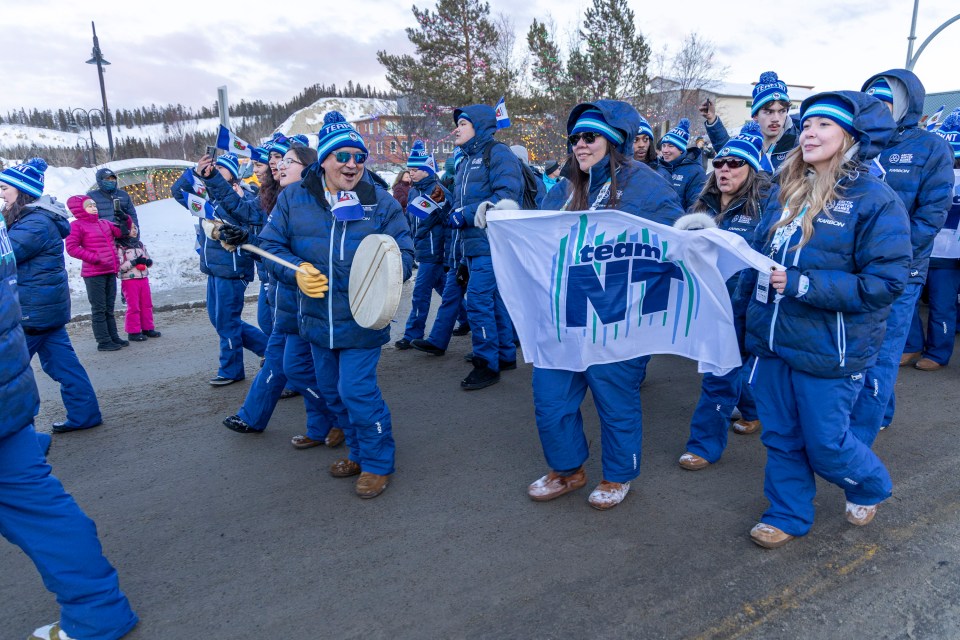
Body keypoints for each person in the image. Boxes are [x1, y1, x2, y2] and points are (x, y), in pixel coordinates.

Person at [733, 91, 911, 548]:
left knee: (827, 445)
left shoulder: (876, 200)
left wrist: (803, 284)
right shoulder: (783, 189)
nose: (809, 131)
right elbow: (757, 260)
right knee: (780, 438)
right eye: (807, 123)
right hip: (772, 341)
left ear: (851, 137)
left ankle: (869, 484)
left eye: (824, 125)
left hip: (830, 348)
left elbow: (885, 284)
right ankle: (787, 514)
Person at [527, 100, 684, 510]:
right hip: (565, 314)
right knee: (550, 398)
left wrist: (690, 236)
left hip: (617, 316)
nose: (580, 144)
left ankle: (618, 475)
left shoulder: (645, 183)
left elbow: (675, 238)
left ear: (614, 141)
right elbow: (542, 238)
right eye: (575, 137)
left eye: (590, 136)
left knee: (615, 400)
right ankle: (568, 469)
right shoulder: (564, 187)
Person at [0, 205, 139, 640]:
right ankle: (98, 611)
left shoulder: (32, 223)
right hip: (8, 387)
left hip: (30, 326)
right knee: (43, 509)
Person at [258, 111, 413, 498]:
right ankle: (359, 453)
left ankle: (378, 463)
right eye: (342, 156)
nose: (352, 164)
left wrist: (381, 277)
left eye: (359, 157)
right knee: (333, 392)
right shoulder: (294, 199)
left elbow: (404, 254)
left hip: (363, 319)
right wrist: (296, 272)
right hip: (315, 320)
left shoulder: (379, 202)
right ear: (324, 159)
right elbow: (269, 246)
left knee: (357, 391)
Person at [846, 69, 956, 440]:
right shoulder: (856, 143)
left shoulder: (931, 148)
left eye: (886, 103)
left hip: (901, 272)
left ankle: (861, 431)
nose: (878, 109)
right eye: (872, 102)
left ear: (906, 105)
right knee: (860, 345)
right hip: (855, 268)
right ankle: (880, 409)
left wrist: (897, 258)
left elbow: (931, 215)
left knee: (884, 349)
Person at [221, 142, 343, 448]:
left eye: (287, 160)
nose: (279, 165)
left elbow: (306, 249)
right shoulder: (284, 198)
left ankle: (339, 420)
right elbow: (273, 244)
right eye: (277, 160)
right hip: (287, 299)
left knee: (298, 369)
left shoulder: (317, 201)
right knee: (293, 366)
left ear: (310, 166)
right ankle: (320, 428)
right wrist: (244, 239)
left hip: (308, 299)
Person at [676, 121, 777, 470]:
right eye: (719, 163)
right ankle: (751, 410)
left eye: (735, 163)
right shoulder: (701, 205)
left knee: (720, 377)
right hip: (713, 305)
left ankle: (703, 445)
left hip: (751, 306)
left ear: (751, 169)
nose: (724, 169)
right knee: (731, 370)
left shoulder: (767, 207)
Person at [1, 158, 102, 433]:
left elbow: (5, 256)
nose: (1, 194)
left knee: (8, 373)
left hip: (32, 312)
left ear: (22, 191)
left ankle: (18, 437)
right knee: (65, 366)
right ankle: (85, 414)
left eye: (4, 188)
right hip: (45, 310)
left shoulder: (34, 224)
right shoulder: (32, 219)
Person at [171, 153, 267, 385]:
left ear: (232, 177)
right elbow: (177, 193)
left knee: (226, 321)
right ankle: (268, 348)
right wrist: (194, 172)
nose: (212, 170)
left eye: (218, 169)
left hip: (233, 269)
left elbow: (248, 225)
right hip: (213, 268)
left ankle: (231, 369)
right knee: (219, 320)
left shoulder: (242, 197)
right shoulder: (207, 198)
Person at [448, 103, 524, 390]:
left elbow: (506, 197)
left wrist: (465, 213)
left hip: (492, 243)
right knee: (493, 299)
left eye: (463, 124)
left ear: (478, 127)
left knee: (478, 302)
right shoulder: (465, 160)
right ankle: (504, 354)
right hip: (474, 244)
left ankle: (486, 364)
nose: (456, 129)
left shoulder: (498, 153)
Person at [903, 109, 960, 371]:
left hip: (950, 256)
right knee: (908, 298)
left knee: (942, 305)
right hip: (921, 245)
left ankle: (937, 353)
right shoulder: (929, 162)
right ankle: (912, 344)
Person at [396, 141, 450, 350]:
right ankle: (466, 318)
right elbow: (413, 219)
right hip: (424, 249)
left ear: (427, 170)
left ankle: (412, 333)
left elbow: (440, 219)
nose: (411, 173)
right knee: (447, 292)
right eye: (410, 169)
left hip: (434, 252)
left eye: (416, 169)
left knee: (420, 294)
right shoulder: (413, 192)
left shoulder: (438, 190)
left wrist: (419, 236)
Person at [64, 195, 129, 351]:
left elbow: (122, 233)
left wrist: (124, 219)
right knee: (99, 308)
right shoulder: (76, 226)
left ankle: (113, 337)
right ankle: (103, 341)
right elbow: (72, 248)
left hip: (109, 270)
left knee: (109, 307)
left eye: (94, 205)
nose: (94, 207)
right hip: (94, 274)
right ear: (79, 209)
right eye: (89, 206)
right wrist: (95, 258)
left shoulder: (103, 223)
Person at [699, 71, 798, 173]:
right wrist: (712, 120)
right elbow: (729, 152)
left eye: (782, 111)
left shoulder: (799, 145)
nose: (776, 118)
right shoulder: (750, 140)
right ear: (755, 116)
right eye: (769, 112)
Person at [116, 221, 160, 342]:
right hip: (129, 280)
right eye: (131, 228)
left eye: (135, 228)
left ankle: (147, 327)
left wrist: (148, 262)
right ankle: (133, 331)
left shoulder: (140, 244)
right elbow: (118, 267)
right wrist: (134, 262)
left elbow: (147, 257)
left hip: (143, 278)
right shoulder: (121, 247)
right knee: (133, 306)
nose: (134, 230)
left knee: (146, 304)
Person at [655, 118, 707, 210]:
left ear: (681, 149)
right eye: (664, 146)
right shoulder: (657, 166)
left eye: (670, 146)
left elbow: (695, 207)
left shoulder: (696, 172)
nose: (665, 150)